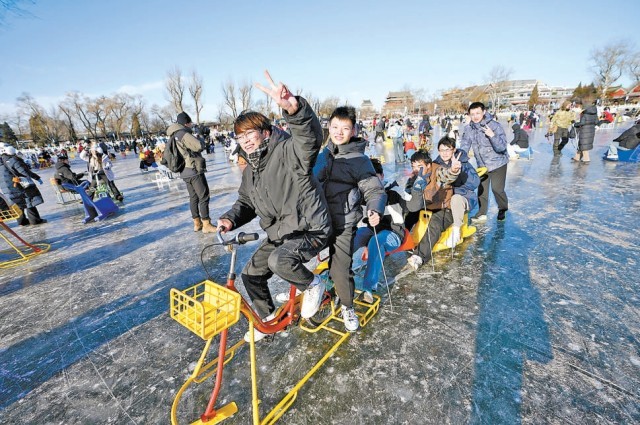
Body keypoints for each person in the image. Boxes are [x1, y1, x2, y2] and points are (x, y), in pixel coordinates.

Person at [217, 71, 331, 341]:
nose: (245, 140)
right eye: (240, 136)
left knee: (279, 260)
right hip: (282, 233)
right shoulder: (251, 169)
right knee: (251, 274)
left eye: (250, 133)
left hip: (310, 229)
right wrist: (230, 219)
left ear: (265, 132)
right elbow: (247, 201)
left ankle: (313, 284)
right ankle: (268, 320)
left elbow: (309, 138)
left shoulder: (287, 152)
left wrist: (294, 109)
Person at [315, 105, 386, 332]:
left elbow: (374, 190)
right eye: (335, 127)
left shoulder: (360, 160)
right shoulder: (323, 155)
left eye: (345, 128)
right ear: (329, 127)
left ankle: (347, 306)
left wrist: (374, 210)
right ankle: (310, 288)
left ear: (353, 130)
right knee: (290, 253)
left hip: (343, 222)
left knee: (340, 269)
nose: (339, 132)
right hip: (317, 221)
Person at [352, 158, 404, 304]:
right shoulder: (363, 195)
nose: (372, 183)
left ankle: (368, 288)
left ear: (381, 176)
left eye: (375, 178)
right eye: (367, 180)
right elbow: (360, 219)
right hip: (370, 230)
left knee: (376, 241)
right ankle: (335, 276)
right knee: (351, 238)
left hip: (393, 233)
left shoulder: (393, 192)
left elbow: (412, 206)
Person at [405, 150, 461, 270]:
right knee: (408, 215)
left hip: (444, 208)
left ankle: (419, 256)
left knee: (435, 223)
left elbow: (447, 175)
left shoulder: (437, 171)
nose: (416, 169)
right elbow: (409, 192)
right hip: (425, 207)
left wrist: (453, 170)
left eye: (419, 166)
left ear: (428, 165)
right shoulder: (414, 176)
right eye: (413, 166)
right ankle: (400, 240)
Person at [166, 111, 216, 233]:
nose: (191, 125)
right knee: (203, 196)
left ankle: (197, 223)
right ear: (186, 123)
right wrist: (201, 135)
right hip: (193, 169)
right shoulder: (183, 133)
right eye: (190, 123)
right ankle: (206, 224)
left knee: (193, 197)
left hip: (184, 171)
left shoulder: (174, 134)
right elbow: (199, 146)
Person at [460, 101, 509, 222]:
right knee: (482, 190)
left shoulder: (494, 125)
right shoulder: (469, 129)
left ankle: (503, 208)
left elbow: (502, 147)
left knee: (497, 189)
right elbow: (465, 145)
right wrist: (460, 159)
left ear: (484, 112)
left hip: (498, 163)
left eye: (478, 113)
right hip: (482, 165)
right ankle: (482, 213)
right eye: (472, 114)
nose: (475, 116)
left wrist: (492, 135)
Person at [433, 136, 480, 247]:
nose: (444, 153)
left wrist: (460, 171)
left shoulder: (463, 163)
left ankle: (456, 231)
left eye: (447, 149)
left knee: (456, 198)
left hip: (464, 197)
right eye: (441, 150)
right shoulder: (436, 164)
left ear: (453, 150)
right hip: (444, 198)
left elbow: (475, 183)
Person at [0, 145, 47, 225]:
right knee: (29, 201)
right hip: (19, 184)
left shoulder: (1, 163)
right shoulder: (13, 160)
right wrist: (36, 177)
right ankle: (35, 220)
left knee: (18, 203)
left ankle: (22, 221)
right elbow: (24, 172)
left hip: (7, 188)